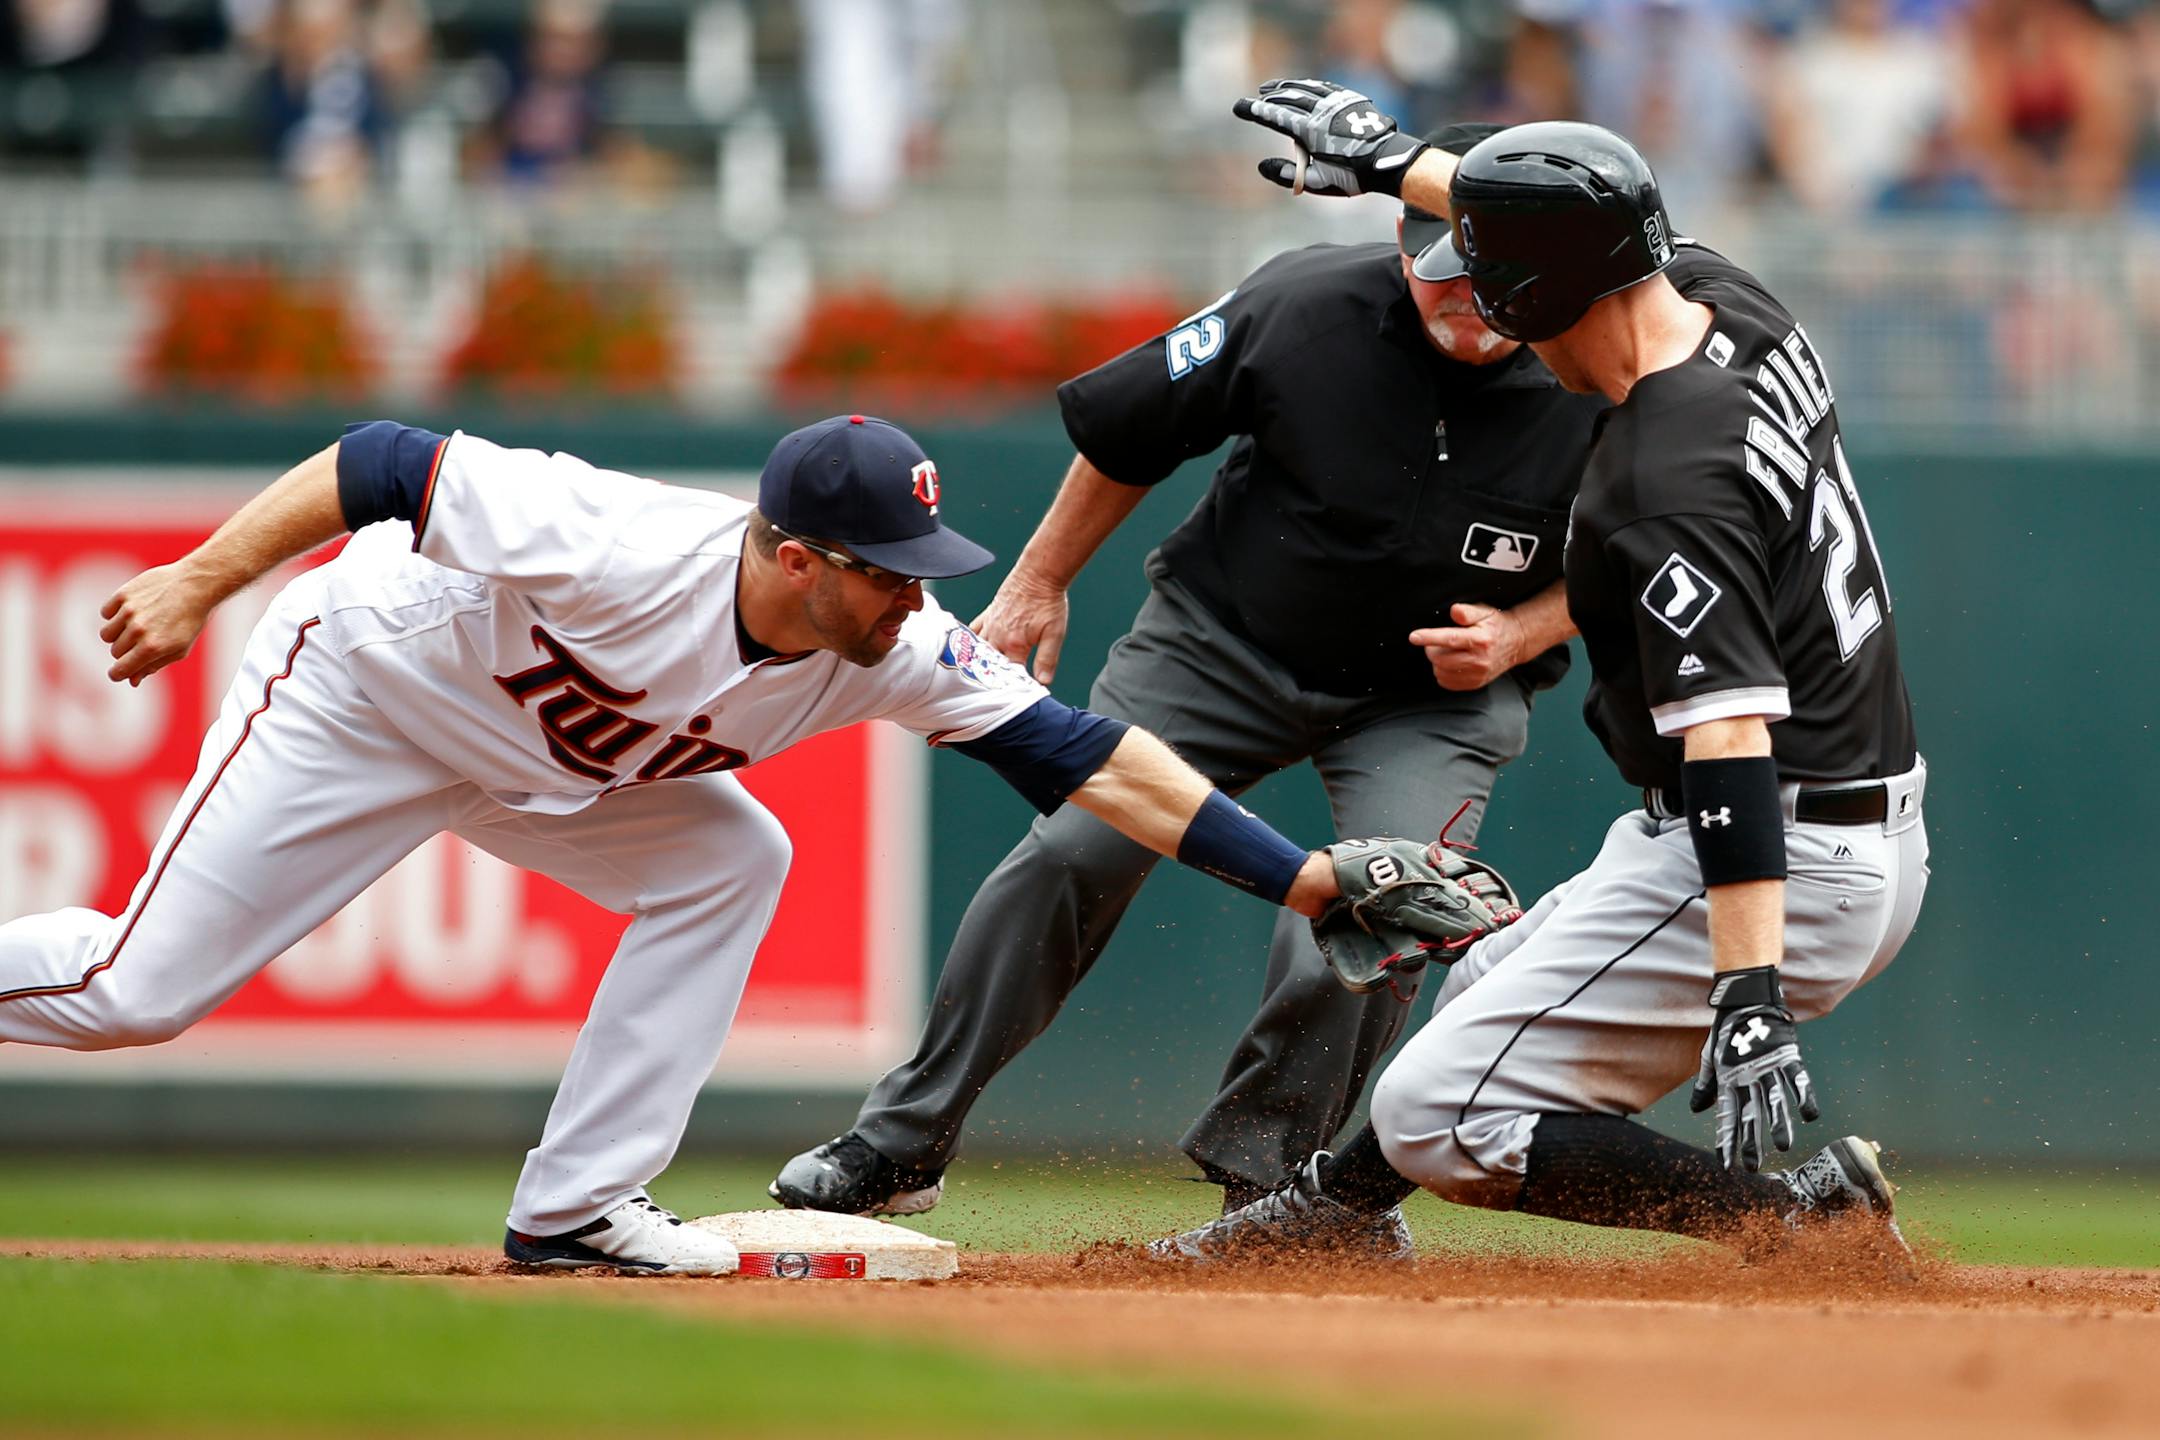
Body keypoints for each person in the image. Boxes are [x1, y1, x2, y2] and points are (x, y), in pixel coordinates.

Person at [0, 413, 1365, 1276]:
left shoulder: (895, 650)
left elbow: (1096, 763)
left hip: (549, 766)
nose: (914, 591)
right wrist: (195, 582)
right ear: (793, 557)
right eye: (886, 565)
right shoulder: (620, 541)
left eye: (922, 563)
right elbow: (381, 462)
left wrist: (1304, 879)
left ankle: (577, 1207)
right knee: (135, 994)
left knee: (734, 858)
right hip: (370, 697)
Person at [770, 123, 1606, 1248]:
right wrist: (1036, 582)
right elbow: (1130, 426)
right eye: (1432, 262)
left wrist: (1522, 633)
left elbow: (1657, 547)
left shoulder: (1597, 371)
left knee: (1378, 913)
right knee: (1072, 852)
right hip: (1223, 643)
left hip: (1432, 694)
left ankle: (1269, 1192)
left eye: (1478, 273)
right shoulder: (1303, 305)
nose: (1454, 292)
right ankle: (903, 1143)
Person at [1151, 88, 1928, 1261]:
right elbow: (1566, 218)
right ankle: (1327, 1218)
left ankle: (1798, 1225)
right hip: (1856, 826)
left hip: (1774, 855)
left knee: (1437, 1117)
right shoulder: (1730, 307)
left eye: (1494, 280)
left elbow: (1729, 745)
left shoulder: (1668, 473)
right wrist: (1388, 164)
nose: (1483, 300)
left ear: (1532, 300)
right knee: (1475, 994)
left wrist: (1749, 992)